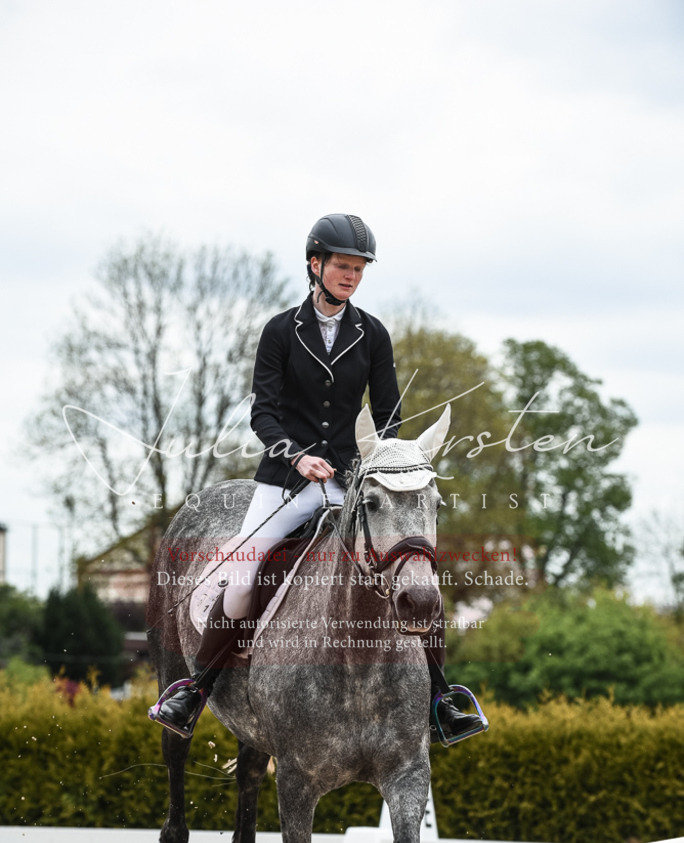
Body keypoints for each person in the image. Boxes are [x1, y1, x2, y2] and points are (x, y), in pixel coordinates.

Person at [149, 213, 481, 743]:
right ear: (316, 264)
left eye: (358, 269)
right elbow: (265, 414)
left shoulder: (372, 335)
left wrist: (378, 464)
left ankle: (443, 699)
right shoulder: (281, 331)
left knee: (413, 568)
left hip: (352, 484)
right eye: (343, 266)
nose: (351, 276)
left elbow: (389, 415)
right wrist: (299, 456)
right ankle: (197, 689)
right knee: (243, 572)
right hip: (286, 481)